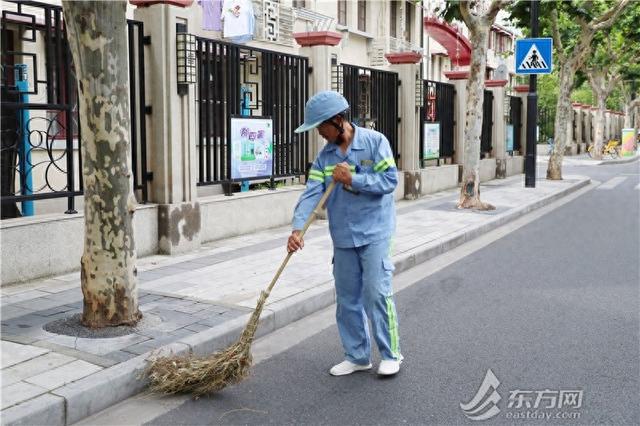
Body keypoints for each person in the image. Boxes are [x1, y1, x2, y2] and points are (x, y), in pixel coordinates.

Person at [287, 91, 403, 376]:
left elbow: (389, 181)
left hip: (376, 231)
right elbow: (311, 194)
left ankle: (391, 354)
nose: (320, 134)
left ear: (337, 120)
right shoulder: (324, 158)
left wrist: (354, 179)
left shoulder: (375, 143)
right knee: (347, 298)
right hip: (343, 236)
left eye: (321, 127)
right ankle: (357, 355)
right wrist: (297, 229)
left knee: (376, 292)